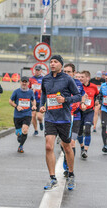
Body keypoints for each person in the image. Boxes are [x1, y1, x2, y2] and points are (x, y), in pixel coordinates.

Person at [40, 55, 81, 191]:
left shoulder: (67, 79)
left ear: (61, 65)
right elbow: (43, 95)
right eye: (51, 62)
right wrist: (42, 105)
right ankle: (52, 178)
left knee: (67, 147)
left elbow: (78, 96)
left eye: (55, 62)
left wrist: (65, 100)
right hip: (50, 117)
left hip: (64, 118)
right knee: (48, 146)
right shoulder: (45, 79)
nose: (52, 64)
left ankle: (71, 174)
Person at [62, 63, 85, 177]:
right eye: (64, 72)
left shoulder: (78, 84)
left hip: (76, 116)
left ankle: (69, 168)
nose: (66, 74)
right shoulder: (59, 82)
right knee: (63, 144)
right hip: (63, 117)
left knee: (72, 143)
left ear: (74, 73)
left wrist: (83, 103)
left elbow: (83, 95)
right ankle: (66, 159)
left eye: (69, 72)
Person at [9, 76, 36, 153]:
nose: (24, 83)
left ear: (28, 83)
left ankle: (21, 146)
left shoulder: (30, 92)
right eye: (23, 82)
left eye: (26, 82)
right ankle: (19, 135)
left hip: (27, 114)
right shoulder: (16, 91)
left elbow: (33, 100)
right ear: (20, 82)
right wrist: (16, 106)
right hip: (17, 115)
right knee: (18, 133)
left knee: (25, 130)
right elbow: (10, 101)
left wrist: (34, 105)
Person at [77, 70, 99, 159]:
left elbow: (98, 95)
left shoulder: (93, 87)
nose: (80, 78)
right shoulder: (78, 86)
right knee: (79, 132)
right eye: (80, 77)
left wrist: (97, 100)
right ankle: (82, 147)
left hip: (89, 111)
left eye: (82, 77)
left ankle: (85, 150)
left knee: (87, 129)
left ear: (88, 78)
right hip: (79, 111)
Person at [29, 65, 44, 136]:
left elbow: (46, 89)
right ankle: (36, 130)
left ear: (41, 71)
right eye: (36, 70)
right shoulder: (31, 79)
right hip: (33, 100)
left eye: (38, 70)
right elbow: (28, 89)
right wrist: (31, 90)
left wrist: (42, 91)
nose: (37, 71)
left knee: (39, 117)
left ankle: (40, 122)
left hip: (40, 100)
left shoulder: (44, 79)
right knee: (33, 115)